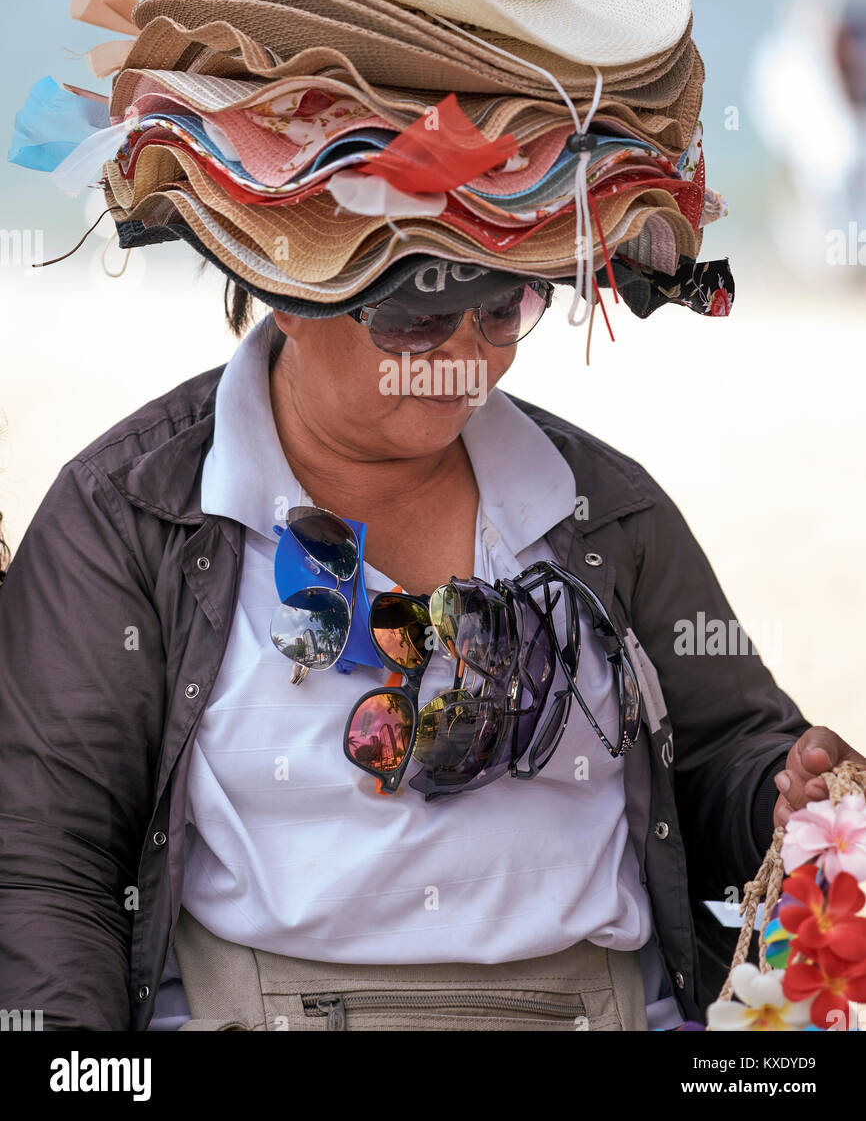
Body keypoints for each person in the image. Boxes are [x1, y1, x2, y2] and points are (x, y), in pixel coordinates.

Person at [0, 262, 862, 1033]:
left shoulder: (606, 510)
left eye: (498, 311)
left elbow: (721, 755)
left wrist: (786, 803)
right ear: (286, 290)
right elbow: (49, 864)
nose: (464, 357)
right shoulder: (127, 515)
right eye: (413, 318)